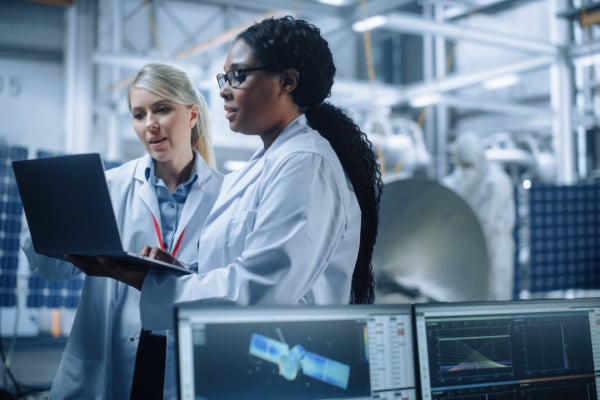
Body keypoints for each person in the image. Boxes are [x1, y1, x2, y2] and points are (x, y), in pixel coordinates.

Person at [79, 16, 383, 331]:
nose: (224, 91)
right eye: (224, 78)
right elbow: (237, 267)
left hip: (287, 361)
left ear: (287, 81)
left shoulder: (306, 163)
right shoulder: (263, 165)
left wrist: (153, 283)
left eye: (237, 76)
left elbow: (263, 290)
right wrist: (182, 273)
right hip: (244, 353)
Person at [22, 63, 223, 399]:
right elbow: (53, 269)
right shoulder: (108, 187)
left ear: (191, 115)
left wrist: (184, 274)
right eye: (139, 114)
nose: (151, 125)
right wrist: (46, 228)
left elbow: (234, 283)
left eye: (162, 109)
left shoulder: (227, 195)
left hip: (188, 349)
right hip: (114, 351)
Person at [442, 131, 516, 300]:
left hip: (495, 251)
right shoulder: (453, 182)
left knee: (496, 297)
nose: (464, 171)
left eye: (468, 165)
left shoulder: (497, 183)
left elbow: (488, 223)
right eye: (461, 164)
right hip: (462, 252)